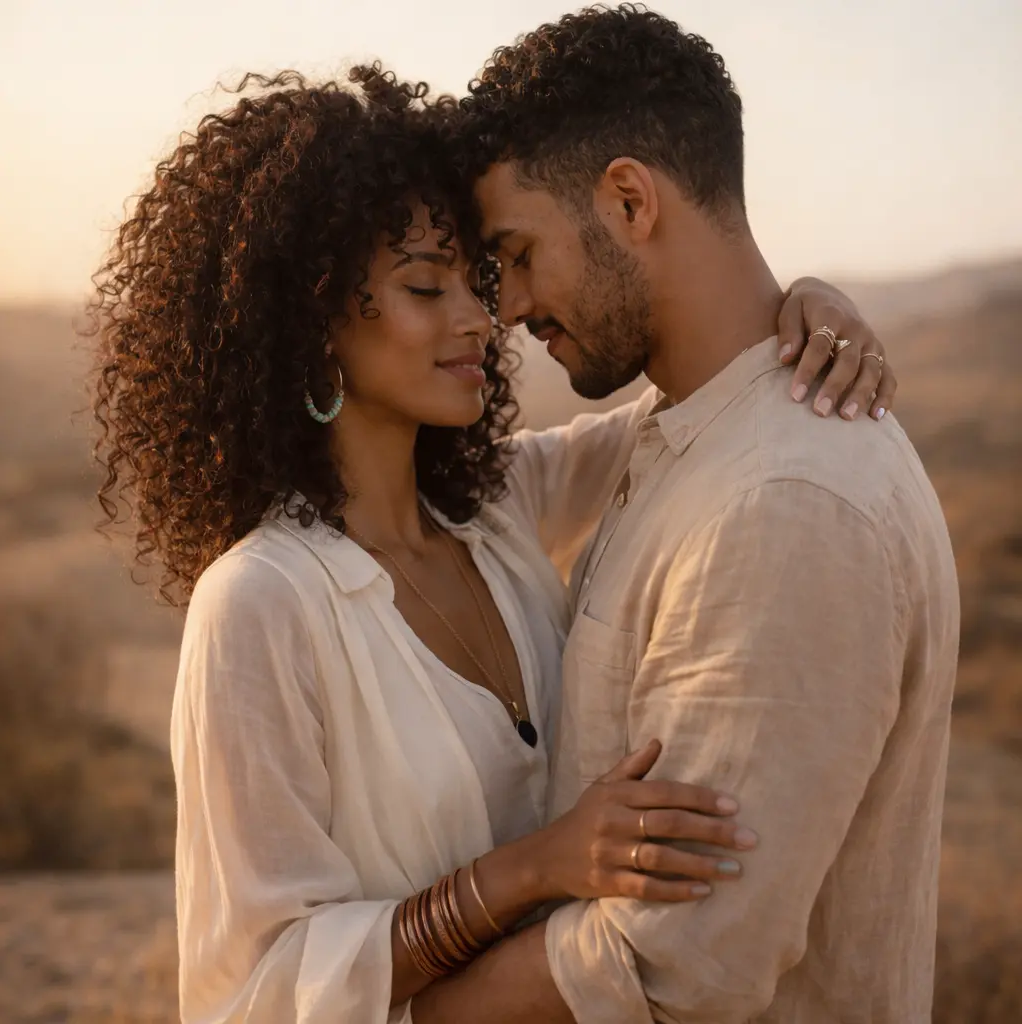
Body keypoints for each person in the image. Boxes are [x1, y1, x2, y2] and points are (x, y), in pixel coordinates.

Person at [89, 64, 898, 1023]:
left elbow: (705, 386)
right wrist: (527, 872)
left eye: (478, 280)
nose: (482, 317)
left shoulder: (502, 513)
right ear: (307, 325)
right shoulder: (260, 604)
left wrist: (804, 305)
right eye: (426, 287)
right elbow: (261, 985)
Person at [408, 7, 960, 1024]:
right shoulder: (682, 434)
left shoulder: (784, 507)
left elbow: (675, 971)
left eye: (518, 253)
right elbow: (439, 493)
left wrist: (394, 1005)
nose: (511, 310)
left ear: (628, 199)